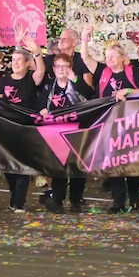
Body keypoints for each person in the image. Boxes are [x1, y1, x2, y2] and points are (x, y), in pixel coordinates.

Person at [92, 42, 139, 213]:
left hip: (131, 123)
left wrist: (128, 91)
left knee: (130, 162)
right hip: (109, 123)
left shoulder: (132, 72)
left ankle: (134, 196)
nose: (109, 59)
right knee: (113, 161)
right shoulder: (103, 75)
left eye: (113, 55)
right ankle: (118, 202)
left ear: (123, 58)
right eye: (107, 56)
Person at [0, 30, 46, 213]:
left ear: (27, 64)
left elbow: (40, 70)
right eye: (13, 60)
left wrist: (36, 51)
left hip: (25, 128)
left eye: (19, 60)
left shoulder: (31, 79)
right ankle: (14, 195)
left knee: (23, 166)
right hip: (7, 128)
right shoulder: (3, 80)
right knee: (9, 166)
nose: (15, 63)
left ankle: (19, 201)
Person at [40, 51, 94, 213]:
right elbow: (41, 102)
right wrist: (42, 109)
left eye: (65, 66)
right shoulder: (49, 86)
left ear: (71, 67)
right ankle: (57, 198)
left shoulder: (76, 82)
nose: (61, 69)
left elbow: (89, 93)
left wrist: (75, 79)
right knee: (59, 166)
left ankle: (76, 200)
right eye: (58, 66)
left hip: (77, 130)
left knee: (77, 166)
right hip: (56, 131)